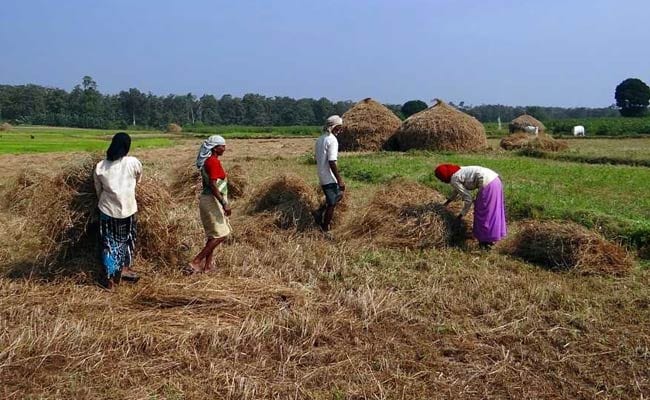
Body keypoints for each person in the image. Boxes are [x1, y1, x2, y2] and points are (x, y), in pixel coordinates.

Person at [93, 132, 142, 288]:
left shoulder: (100, 166)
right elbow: (138, 180)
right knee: (128, 240)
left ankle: (109, 279)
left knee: (109, 243)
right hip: (128, 209)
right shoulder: (133, 162)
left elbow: (98, 191)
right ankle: (124, 268)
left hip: (107, 211)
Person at [434, 164, 507, 249]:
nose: (441, 181)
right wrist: (448, 201)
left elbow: (468, 199)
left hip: (488, 184)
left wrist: (461, 215)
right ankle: (490, 239)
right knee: (492, 212)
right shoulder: (458, 171)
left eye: (440, 178)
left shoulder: (454, 179)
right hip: (495, 180)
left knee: (482, 213)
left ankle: (485, 242)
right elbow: (457, 190)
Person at [189, 135, 232, 273]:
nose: (224, 148)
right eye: (222, 146)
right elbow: (213, 186)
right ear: (215, 148)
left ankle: (207, 267)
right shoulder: (212, 162)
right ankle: (196, 261)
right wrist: (224, 203)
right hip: (211, 200)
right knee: (221, 235)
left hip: (210, 199)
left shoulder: (211, 161)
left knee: (213, 235)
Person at [315, 115, 346, 232]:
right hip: (328, 176)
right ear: (334, 127)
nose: (340, 130)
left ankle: (320, 212)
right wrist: (339, 179)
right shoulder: (332, 140)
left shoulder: (320, 139)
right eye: (339, 127)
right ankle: (325, 228)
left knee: (335, 197)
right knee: (333, 202)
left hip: (322, 174)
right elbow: (332, 161)